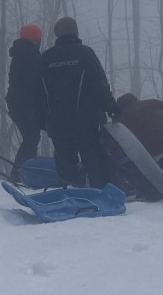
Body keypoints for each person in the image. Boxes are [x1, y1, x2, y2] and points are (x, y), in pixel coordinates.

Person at [39, 16, 117, 188]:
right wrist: (110, 106)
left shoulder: (45, 58)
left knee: (66, 163)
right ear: (75, 31)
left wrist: (42, 119)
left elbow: (38, 92)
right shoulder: (85, 53)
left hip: (57, 122)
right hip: (85, 120)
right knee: (93, 160)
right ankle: (100, 193)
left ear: (57, 34)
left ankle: (69, 193)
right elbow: (99, 83)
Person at [4, 23, 46, 182]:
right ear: (36, 40)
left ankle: (25, 174)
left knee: (31, 138)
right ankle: (18, 174)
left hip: (17, 104)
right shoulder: (32, 56)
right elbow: (35, 83)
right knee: (31, 139)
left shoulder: (19, 54)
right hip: (26, 105)